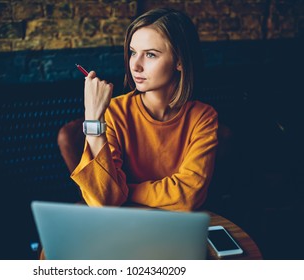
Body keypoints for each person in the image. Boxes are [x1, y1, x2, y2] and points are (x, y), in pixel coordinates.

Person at [71, 8, 218, 211]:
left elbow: (189, 196)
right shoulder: (114, 112)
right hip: (123, 228)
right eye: (133, 52)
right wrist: (94, 118)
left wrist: (124, 191)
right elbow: (104, 201)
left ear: (180, 61)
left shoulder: (203, 117)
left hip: (178, 228)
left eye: (150, 54)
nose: (135, 66)